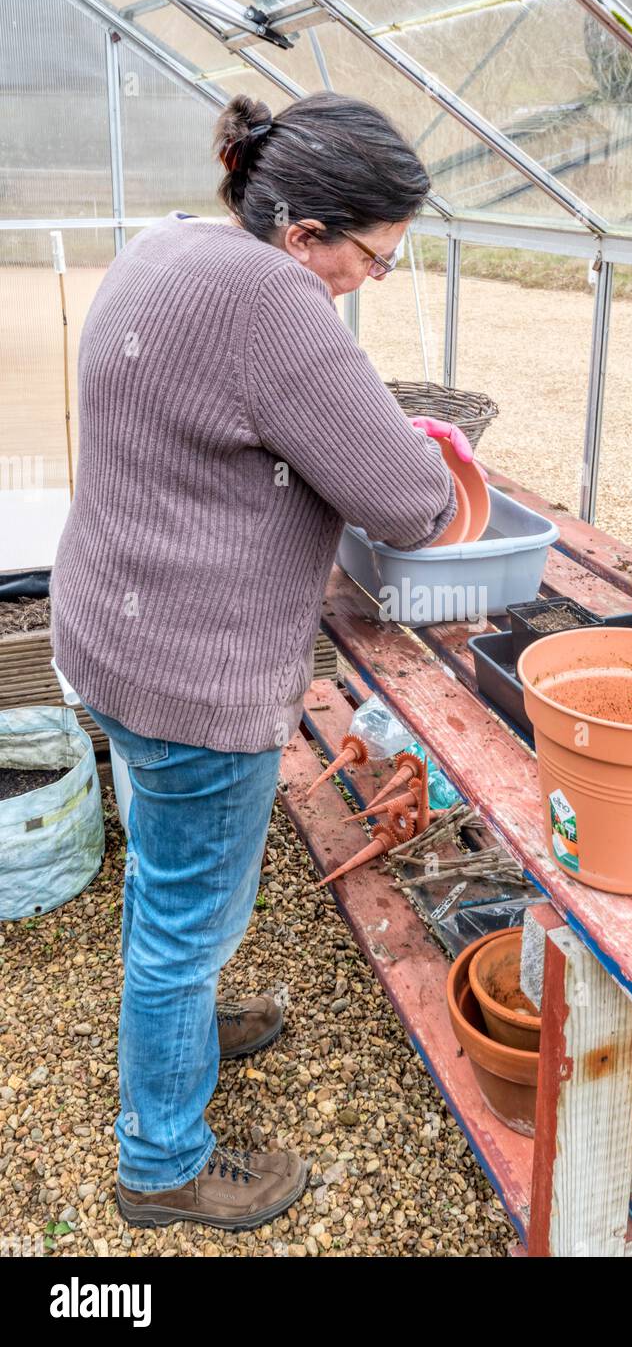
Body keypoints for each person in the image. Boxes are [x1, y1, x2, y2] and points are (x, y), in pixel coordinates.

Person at [50, 91, 467, 1231]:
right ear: (305, 234)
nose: (364, 283)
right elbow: (410, 503)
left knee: (171, 883)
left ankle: (178, 1023)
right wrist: (424, 449)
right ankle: (163, 1162)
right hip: (192, 672)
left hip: (108, 627)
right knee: (188, 920)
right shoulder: (278, 304)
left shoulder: (173, 244)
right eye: (371, 262)